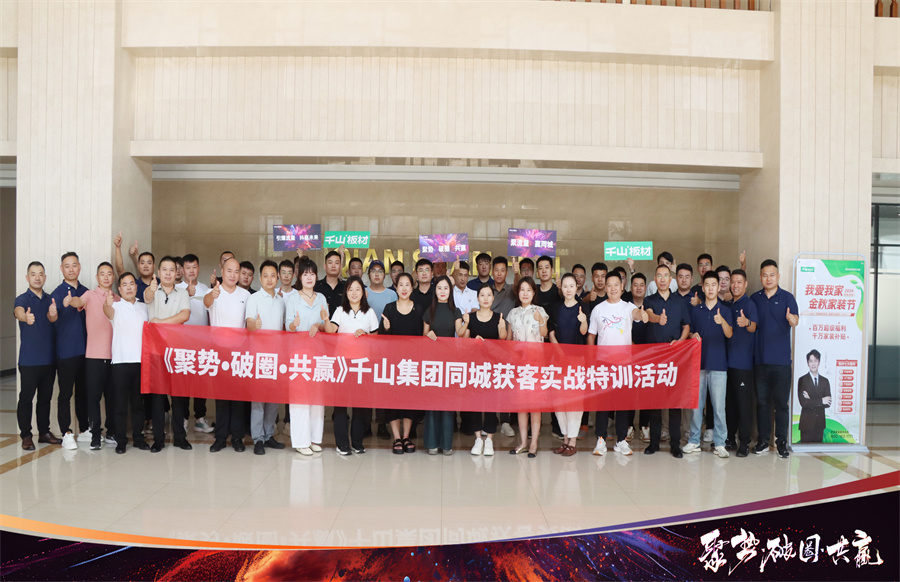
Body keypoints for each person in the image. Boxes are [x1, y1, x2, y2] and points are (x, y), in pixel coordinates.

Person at [587, 274, 647, 456]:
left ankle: (621, 440)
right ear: (605, 288)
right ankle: (601, 439)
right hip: (603, 364)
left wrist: (642, 314)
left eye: (616, 285)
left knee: (622, 404)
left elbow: (637, 314)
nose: (612, 288)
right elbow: (591, 336)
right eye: (609, 285)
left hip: (624, 365)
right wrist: (591, 359)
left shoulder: (628, 307)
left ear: (622, 287)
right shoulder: (598, 309)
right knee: (603, 404)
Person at [323, 276, 379, 455]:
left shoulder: (369, 312)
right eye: (350, 289)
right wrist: (325, 320)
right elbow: (331, 330)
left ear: (363, 292)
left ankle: (357, 442)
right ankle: (342, 444)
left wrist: (366, 335)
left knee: (359, 406)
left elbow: (376, 338)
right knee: (340, 406)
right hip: (342, 364)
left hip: (362, 364)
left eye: (357, 289)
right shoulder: (340, 311)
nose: (354, 293)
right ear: (346, 292)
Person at [67, 261, 120, 450]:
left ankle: (111, 432)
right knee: (93, 398)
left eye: (109, 274)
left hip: (115, 357)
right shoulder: (90, 295)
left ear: (113, 277)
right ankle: (95, 435)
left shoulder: (118, 298)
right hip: (94, 356)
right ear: (97, 277)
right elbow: (78, 302)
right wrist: (70, 300)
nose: (106, 277)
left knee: (112, 397)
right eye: (102, 274)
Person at [751, 259, 799, 458]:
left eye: (772, 275)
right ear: (760, 277)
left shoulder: (787, 298)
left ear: (778, 277)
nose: (768, 278)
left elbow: (796, 320)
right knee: (762, 404)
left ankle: (781, 443)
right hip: (760, 361)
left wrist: (792, 319)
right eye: (765, 275)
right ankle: (763, 441)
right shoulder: (755, 298)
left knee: (781, 405)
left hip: (781, 363)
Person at [144, 256, 192, 452]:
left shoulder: (183, 293)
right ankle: (158, 439)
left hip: (176, 351)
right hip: (156, 351)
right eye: (164, 269)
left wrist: (160, 322)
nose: (168, 273)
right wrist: (151, 289)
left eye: (172, 270)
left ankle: (180, 437)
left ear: (176, 273)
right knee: (158, 397)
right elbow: (147, 297)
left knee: (179, 396)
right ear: (158, 272)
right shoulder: (151, 290)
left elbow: (184, 315)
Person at [683, 271, 733, 458]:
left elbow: (730, 334)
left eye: (714, 285)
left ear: (719, 287)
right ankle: (694, 440)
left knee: (719, 407)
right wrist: (692, 335)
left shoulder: (725, 310)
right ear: (702, 288)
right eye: (707, 285)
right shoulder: (696, 310)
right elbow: (690, 333)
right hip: (699, 364)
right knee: (696, 406)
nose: (711, 288)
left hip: (719, 365)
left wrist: (722, 322)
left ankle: (720, 443)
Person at [643, 264, 691, 457]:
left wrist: (680, 341)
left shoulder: (680, 302)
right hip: (654, 358)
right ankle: (653, 443)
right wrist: (658, 319)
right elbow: (648, 314)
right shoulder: (649, 299)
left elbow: (686, 326)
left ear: (671, 280)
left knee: (674, 403)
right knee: (654, 402)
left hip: (675, 358)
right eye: (659, 276)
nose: (662, 279)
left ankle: (675, 445)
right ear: (655, 279)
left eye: (666, 276)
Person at [205, 257, 251, 453]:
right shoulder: (213, 293)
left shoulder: (246, 295)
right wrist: (213, 294)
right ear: (222, 272)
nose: (233, 275)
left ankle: (238, 437)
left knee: (238, 398)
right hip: (219, 353)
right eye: (229, 270)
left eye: (236, 271)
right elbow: (207, 302)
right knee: (222, 398)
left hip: (239, 354)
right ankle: (221, 437)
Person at [14, 261, 61, 450]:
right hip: (29, 361)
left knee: (45, 399)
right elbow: (18, 312)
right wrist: (25, 317)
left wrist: (53, 315)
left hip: (49, 360)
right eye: (33, 274)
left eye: (40, 274)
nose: (37, 277)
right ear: (27, 277)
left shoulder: (50, 300)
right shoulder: (23, 299)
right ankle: (26, 435)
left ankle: (43, 432)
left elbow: (53, 319)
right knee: (26, 399)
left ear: (45, 277)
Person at [284, 258, 329, 456]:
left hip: (318, 353)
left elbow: (326, 324)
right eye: (305, 274)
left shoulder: (322, 298)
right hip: (299, 354)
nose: (309, 277)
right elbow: (288, 326)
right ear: (299, 277)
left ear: (316, 276)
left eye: (312, 274)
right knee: (300, 398)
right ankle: (301, 441)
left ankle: (314, 439)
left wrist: (318, 324)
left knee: (317, 398)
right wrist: (294, 324)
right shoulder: (293, 298)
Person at [379, 272, 425, 454]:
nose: (404, 288)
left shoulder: (418, 309)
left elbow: (422, 336)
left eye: (407, 285)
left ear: (412, 288)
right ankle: (396, 437)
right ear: (396, 288)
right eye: (401, 285)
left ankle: (406, 436)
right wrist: (386, 329)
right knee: (393, 400)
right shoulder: (389, 308)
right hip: (393, 363)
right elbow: (381, 338)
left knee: (409, 400)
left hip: (412, 364)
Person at [245, 260, 287, 455]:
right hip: (259, 357)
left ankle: (269, 435)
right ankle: (257, 439)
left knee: (273, 400)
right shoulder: (253, 299)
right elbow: (249, 324)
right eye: (266, 275)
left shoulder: (281, 301)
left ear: (277, 278)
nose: (269, 279)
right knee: (258, 400)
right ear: (260, 278)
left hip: (277, 357)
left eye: (273, 275)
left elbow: (284, 328)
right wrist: (256, 326)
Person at [104, 272, 150, 454]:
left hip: (140, 362)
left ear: (136, 287)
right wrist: (106, 304)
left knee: (138, 404)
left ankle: (138, 438)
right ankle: (121, 441)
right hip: (120, 362)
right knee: (120, 405)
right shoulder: (115, 306)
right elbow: (107, 312)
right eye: (125, 284)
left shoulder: (144, 307)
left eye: (132, 283)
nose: (129, 287)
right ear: (120, 289)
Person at [421, 275, 466, 455]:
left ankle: (447, 444)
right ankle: (432, 443)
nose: (442, 291)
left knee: (447, 404)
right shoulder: (429, 311)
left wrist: (467, 322)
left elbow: (459, 333)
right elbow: (423, 335)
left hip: (450, 362)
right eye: (439, 288)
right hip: (431, 362)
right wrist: (428, 335)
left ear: (450, 291)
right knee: (432, 404)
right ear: (435, 291)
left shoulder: (455, 311)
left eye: (446, 288)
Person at [462, 284, 507, 456]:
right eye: (482, 295)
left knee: (490, 404)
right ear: (478, 298)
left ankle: (489, 439)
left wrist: (502, 328)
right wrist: (473, 341)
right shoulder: (471, 318)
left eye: (489, 295)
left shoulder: (498, 317)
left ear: (493, 298)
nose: (486, 298)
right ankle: (478, 439)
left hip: (492, 367)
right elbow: (464, 341)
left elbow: (503, 339)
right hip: (475, 367)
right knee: (474, 404)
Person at [506, 277, 548, 458]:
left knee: (535, 406)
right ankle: (523, 442)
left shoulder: (540, 311)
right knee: (521, 405)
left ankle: (534, 443)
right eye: (522, 290)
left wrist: (541, 321)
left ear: (533, 293)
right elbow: (509, 339)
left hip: (536, 365)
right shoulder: (512, 313)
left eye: (528, 290)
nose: (525, 293)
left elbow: (544, 334)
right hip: (519, 365)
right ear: (518, 292)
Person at [51, 252, 89, 450]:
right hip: (66, 352)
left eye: (74, 265)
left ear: (79, 267)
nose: (71, 269)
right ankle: (66, 433)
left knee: (83, 392)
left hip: (86, 351)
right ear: (61, 269)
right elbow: (52, 318)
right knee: (65, 394)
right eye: (67, 266)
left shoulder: (86, 292)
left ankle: (84, 430)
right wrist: (55, 312)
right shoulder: (57, 293)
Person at [548, 273, 587, 457]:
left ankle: (573, 440)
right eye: (565, 286)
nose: (569, 289)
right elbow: (551, 334)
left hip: (577, 361)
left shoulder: (582, 307)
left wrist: (583, 321)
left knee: (574, 402)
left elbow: (584, 333)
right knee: (559, 401)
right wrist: (560, 353)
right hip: (558, 360)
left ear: (576, 287)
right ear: (561, 288)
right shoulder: (556, 308)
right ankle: (564, 438)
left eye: (572, 286)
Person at [176, 253, 214, 434]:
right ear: (182, 270)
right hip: (182, 344)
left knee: (200, 383)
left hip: (202, 344)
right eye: (188, 267)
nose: (191, 271)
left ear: (198, 268)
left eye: (194, 267)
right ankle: (183, 419)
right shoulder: (176, 289)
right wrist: (185, 294)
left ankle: (200, 418)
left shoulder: (205, 289)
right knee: (183, 383)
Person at [726, 269, 758, 456]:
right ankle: (730, 438)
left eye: (739, 282)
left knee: (744, 405)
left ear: (745, 284)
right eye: (733, 282)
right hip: (727, 364)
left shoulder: (749, 304)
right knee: (730, 404)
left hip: (743, 364)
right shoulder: (729, 305)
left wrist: (746, 322)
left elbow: (753, 327)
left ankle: (744, 442)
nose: (735, 285)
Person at [798, 349, 832, 443]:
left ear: (819, 362)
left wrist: (811, 400)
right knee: (805, 451)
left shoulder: (825, 381)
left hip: (819, 424)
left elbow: (828, 403)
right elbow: (803, 403)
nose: (813, 364)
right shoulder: (802, 380)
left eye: (815, 361)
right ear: (807, 363)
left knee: (818, 450)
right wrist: (821, 401)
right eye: (811, 361)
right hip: (806, 424)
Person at [309, 249, 345, 317]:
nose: (333, 266)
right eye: (330, 263)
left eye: (336, 263)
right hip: (320, 323)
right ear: (325, 266)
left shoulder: (347, 287)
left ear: (340, 267)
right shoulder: (315, 286)